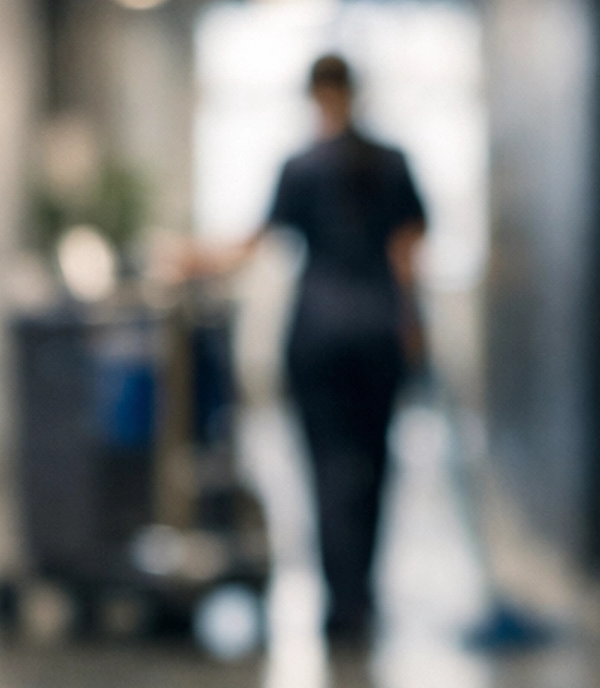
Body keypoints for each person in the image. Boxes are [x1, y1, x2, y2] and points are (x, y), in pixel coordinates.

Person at [182, 54, 427, 645]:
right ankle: (362, 594)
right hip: (378, 331)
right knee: (372, 464)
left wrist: (198, 259)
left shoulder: (302, 168)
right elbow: (406, 252)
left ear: (316, 96)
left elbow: (257, 243)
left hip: (319, 334)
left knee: (329, 468)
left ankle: (342, 604)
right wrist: (412, 324)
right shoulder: (392, 163)